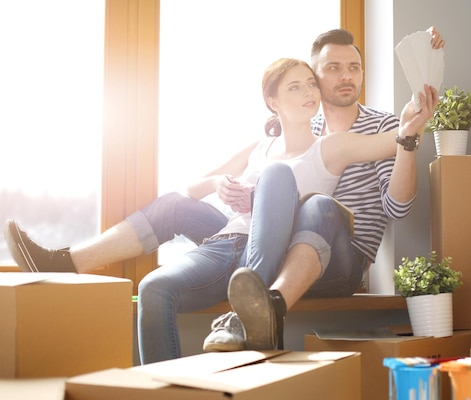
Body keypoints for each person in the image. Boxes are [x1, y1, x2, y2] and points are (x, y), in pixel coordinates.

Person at [5, 56, 436, 364]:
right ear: (273, 102)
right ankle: (64, 263)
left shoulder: (331, 146)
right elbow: (192, 188)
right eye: (296, 87)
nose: (309, 92)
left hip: (274, 251)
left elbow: (391, 138)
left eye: (311, 84)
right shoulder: (259, 147)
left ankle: (249, 303)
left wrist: (412, 121)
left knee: (277, 178)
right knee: (155, 285)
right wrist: (223, 185)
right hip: (226, 243)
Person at [203, 27, 445, 352]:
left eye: (354, 67)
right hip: (285, 260)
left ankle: (265, 309)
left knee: (320, 207)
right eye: (333, 68)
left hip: (342, 264)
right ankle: (260, 311)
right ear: (314, 78)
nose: (347, 76)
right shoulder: (303, 131)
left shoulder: (383, 127)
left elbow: (398, 208)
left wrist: (408, 137)